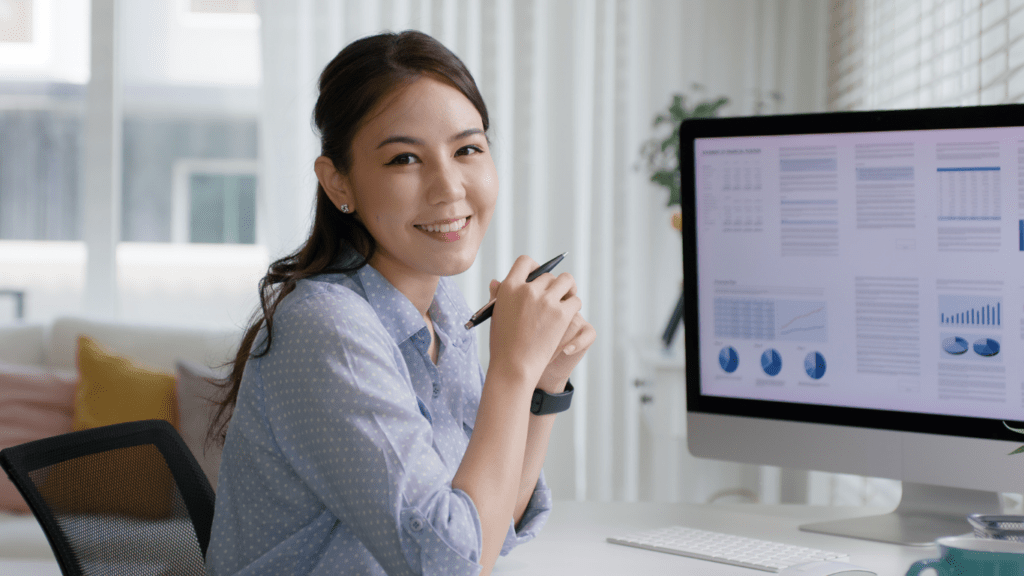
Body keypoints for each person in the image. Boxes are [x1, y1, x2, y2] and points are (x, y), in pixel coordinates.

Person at [204, 30, 596, 576]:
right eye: (405, 159)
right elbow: (449, 565)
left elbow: (487, 530)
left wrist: (544, 382)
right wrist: (512, 368)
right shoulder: (328, 329)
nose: (448, 187)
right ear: (338, 182)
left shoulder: (439, 312)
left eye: (467, 149)